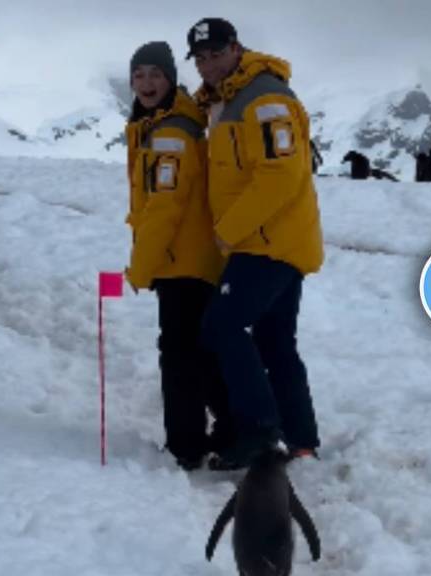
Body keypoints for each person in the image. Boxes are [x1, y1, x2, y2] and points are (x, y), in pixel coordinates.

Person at [187, 18, 324, 469]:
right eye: (201, 58)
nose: (208, 65)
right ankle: (300, 437)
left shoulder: (263, 98)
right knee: (274, 340)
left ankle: (260, 432)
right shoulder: (227, 100)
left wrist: (229, 229)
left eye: (216, 54)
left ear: (236, 48)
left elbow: (280, 174)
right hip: (274, 241)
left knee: (221, 327)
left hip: (265, 242)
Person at [123, 41, 234, 470]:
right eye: (139, 75)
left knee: (180, 356)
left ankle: (187, 446)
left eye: (155, 74)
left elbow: (163, 208)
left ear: (170, 79)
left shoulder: (171, 133)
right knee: (200, 353)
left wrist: (141, 268)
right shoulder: (162, 123)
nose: (146, 83)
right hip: (191, 260)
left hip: (182, 263)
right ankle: (234, 430)